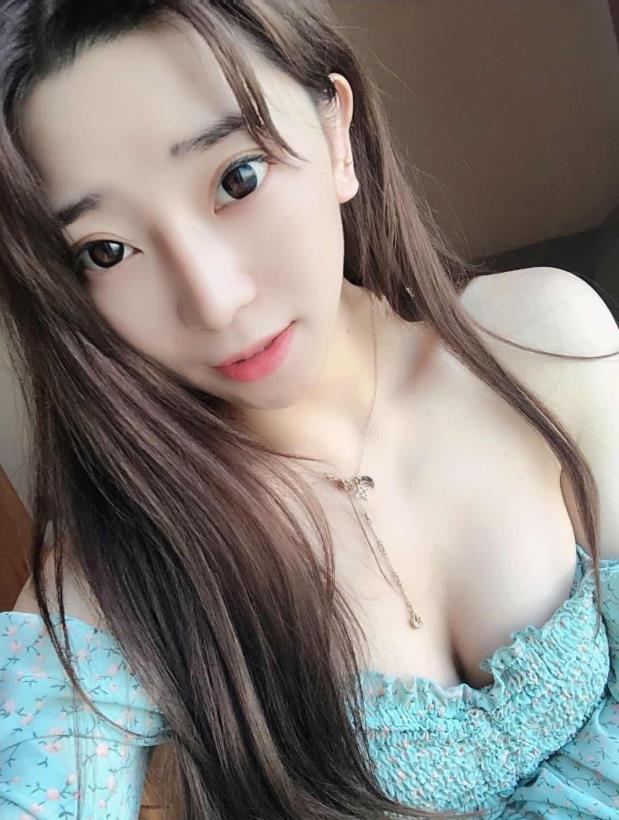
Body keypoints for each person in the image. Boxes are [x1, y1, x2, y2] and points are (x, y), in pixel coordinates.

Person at [0, 1, 617, 818]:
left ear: (335, 138)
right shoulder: (112, 573)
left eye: (237, 178)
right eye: (106, 251)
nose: (214, 300)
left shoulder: (538, 341)